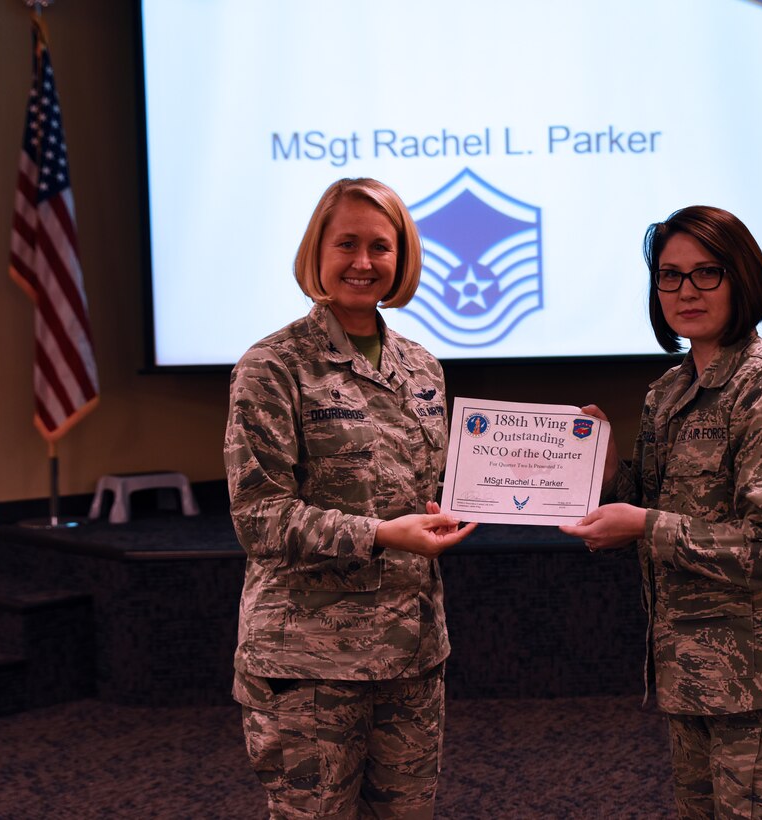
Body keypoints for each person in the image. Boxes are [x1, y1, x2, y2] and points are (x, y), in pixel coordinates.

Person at [561, 205, 762, 819]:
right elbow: (659, 500)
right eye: (669, 275)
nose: (685, 291)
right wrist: (604, 469)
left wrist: (640, 526)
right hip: (695, 672)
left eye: (706, 273)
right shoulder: (670, 390)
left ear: (743, 279)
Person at [224, 177, 476, 819]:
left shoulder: (422, 367)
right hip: (309, 663)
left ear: (402, 259)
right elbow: (260, 517)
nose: (363, 263)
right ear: (318, 252)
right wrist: (382, 534)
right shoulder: (273, 365)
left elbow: (440, 485)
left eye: (381, 247)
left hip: (411, 654)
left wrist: (568, 458)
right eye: (347, 244)